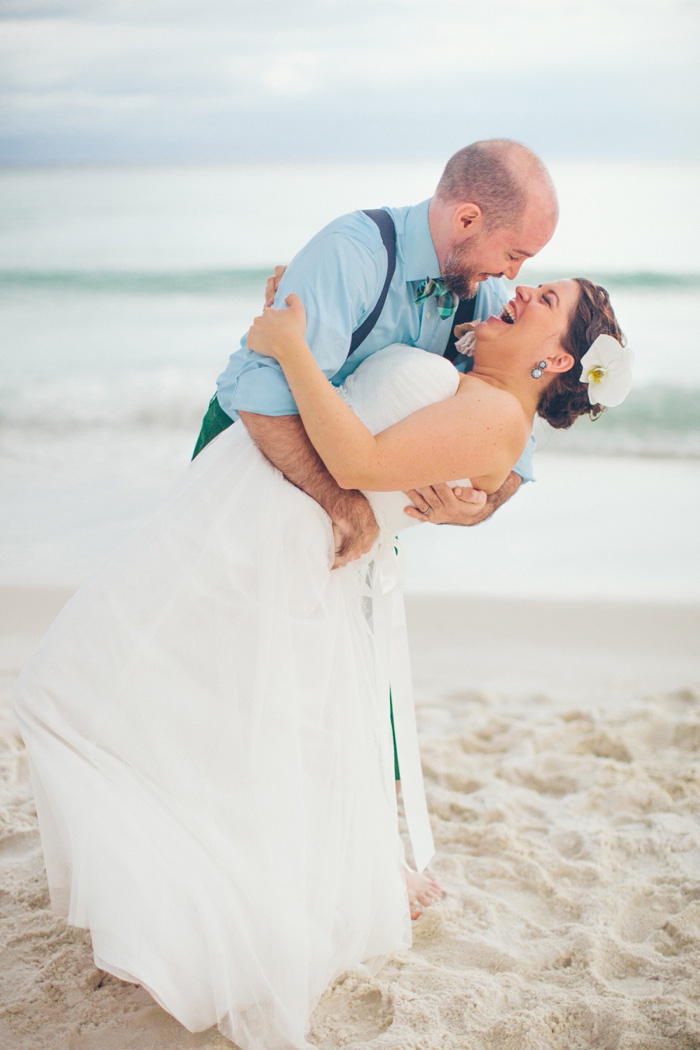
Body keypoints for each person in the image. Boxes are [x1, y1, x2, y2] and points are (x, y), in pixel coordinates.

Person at [12, 270, 631, 1050]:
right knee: (168, 707)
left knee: (78, 691)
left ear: (559, 362)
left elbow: (361, 463)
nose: (524, 289)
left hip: (276, 539)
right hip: (253, 518)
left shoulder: (494, 413)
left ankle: (189, 916)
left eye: (548, 302)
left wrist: (289, 349)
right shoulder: (473, 364)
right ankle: (167, 893)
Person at [193, 138, 560, 565]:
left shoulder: (483, 294)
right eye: (513, 254)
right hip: (246, 461)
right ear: (467, 219)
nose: (513, 274)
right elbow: (261, 399)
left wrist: (483, 502)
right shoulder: (353, 254)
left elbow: (514, 419)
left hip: (355, 509)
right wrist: (344, 506)